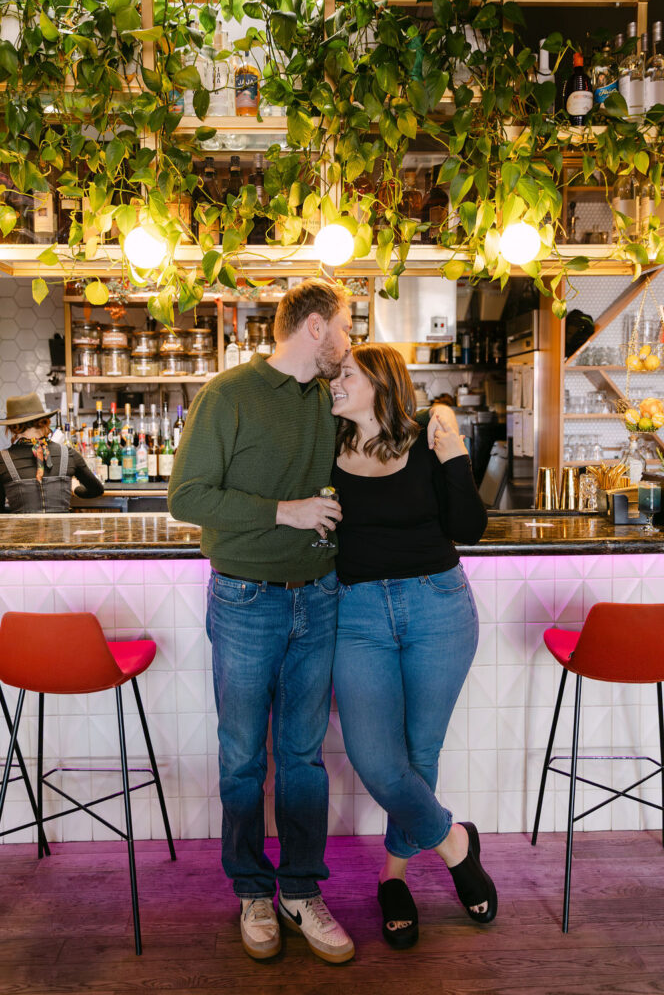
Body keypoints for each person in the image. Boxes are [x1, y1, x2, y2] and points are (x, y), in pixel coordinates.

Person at [167, 278, 356, 964]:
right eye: (345, 325)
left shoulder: (331, 399)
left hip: (320, 594)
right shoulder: (228, 395)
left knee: (303, 758)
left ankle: (301, 891)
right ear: (313, 327)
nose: (349, 339)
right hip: (246, 599)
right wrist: (286, 511)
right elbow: (185, 496)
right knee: (245, 756)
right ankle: (252, 890)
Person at [329, 344, 494, 949]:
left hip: (439, 605)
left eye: (346, 374)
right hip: (358, 614)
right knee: (377, 760)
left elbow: (470, 529)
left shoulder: (431, 433)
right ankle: (455, 844)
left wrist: (454, 455)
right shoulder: (324, 443)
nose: (335, 381)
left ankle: (393, 876)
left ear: (380, 382)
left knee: (420, 756)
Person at [0, 392, 103, 513]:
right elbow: (96, 490)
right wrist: (75, 488)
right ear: (44, 421)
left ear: (13, 427)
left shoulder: (2, 459)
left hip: (21, 531)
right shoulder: (69, 454)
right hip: (61, 531)